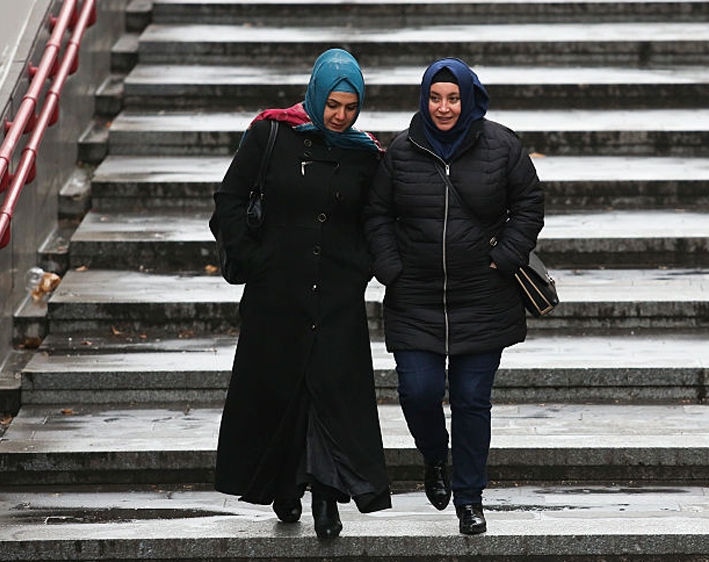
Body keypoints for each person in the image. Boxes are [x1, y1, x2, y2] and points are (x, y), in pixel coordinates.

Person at [212, 48, 390, 540]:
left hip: (336, 297)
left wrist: (363, 269)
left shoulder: (365, 153)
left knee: (328, 394)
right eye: (333, 104)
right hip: (277, 293)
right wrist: (251, 259)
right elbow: (229, 197)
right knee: (282, 392)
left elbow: (376, 219)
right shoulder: (271, 134)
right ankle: (285, 487)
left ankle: (326, 499)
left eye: (350, 106)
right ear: (316, 94)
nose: (340, 115)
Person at [364, 58, 544, 535]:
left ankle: (469, 498)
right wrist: (389, 268)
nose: (444, 107)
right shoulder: (401, 150)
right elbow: (377, 213)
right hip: (415, 296)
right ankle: (434, 458)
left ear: (468, 99)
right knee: (417, 392)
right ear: (424, 98)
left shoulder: (502, 146)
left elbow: (529, 204)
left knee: (470, 399)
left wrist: (505, 257)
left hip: (482, 298)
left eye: (453, 97)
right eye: (435, 97)